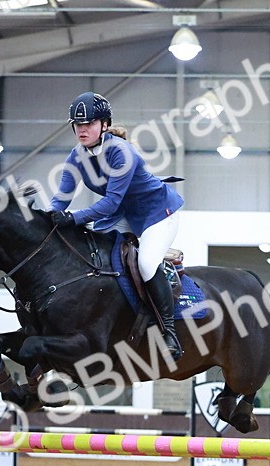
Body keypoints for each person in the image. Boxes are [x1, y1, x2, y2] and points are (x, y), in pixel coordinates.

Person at [49, 91, 185, 359]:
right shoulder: (76, 157)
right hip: (125, 213)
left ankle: (168, 330)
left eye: (88, 123)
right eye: (78, 125)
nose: (82, 129)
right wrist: (46, 220)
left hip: (157, 213)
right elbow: (61, 198)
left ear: (104, 124)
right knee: (96, 254)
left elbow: (110, 203)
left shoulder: (122, 152)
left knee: (146, 263)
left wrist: (73, 219)